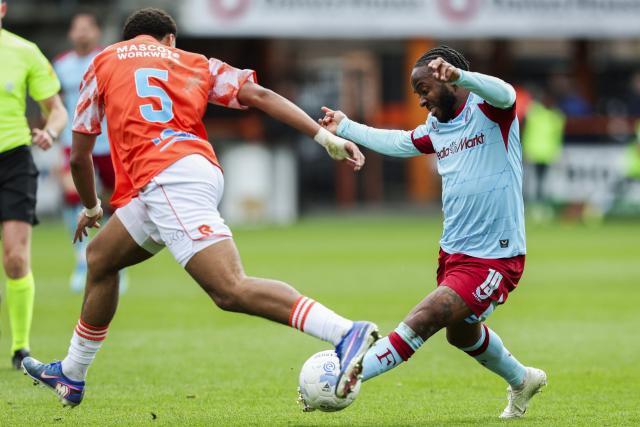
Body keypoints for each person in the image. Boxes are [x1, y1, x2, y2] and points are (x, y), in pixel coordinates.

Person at [22, 8, 377, 407]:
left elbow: (78, 155)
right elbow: (258, 95)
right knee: (101, 258)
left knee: (229, 289)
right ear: (169, 39)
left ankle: (345, 332)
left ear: (127, 39)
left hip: (167, 179)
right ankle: (72, 374)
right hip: (190, 171)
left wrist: (89, 207)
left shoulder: (101, 61)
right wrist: (323, 137)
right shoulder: (194, 62)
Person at [319, 46, 546, 419]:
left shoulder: (491, 112)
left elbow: (506, 92)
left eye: (423, 89)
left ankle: (350, 375)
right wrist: (345, 127)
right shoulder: (438, 129)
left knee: (425, 316)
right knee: (461, 335)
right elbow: (398, 142)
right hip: (453, 253)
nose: (421, 100)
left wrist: (463, 77)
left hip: (495, 257)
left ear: (447, 79)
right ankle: (523, 380)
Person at [0, 0, 68, 369]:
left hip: (13, 159)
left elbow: (56, 109)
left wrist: (51, 132)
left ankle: (20, 347)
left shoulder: (24, 52)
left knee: (15, 258)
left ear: (3, 9)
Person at [53, 12, 128, 293]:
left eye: (87, 28)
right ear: (71, 34)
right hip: (74, 143)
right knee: (76, 199)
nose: (82, 34)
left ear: (96, 32)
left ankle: (114, 260)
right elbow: (54, 103)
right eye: (77, 29)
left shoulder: (107, 59)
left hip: (108, 142)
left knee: (115, 202)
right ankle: (82, 260)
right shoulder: (60, 66)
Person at [521, 88, 566, 216]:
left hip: (547, 154)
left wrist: (557, 151)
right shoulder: (533, 112)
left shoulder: (557, 116)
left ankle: (540, 208)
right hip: (532, 152)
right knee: (529, 181)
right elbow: (523, 130)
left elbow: (557, 137)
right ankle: (526, 206)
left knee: (542, 182)